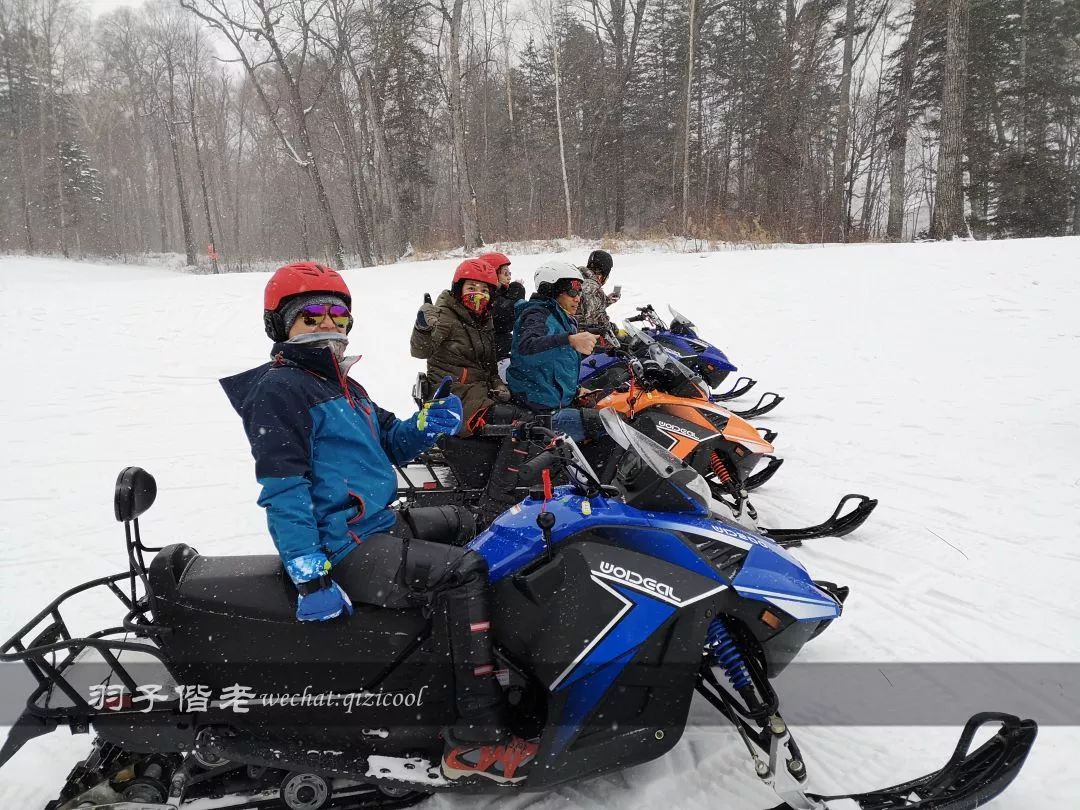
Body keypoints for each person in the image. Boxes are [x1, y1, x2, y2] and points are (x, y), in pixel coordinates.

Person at [220, 261, 537, 784]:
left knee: (475, 521)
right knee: (463, 571)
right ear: (279, 326)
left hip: (376, 524)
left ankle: (499, 659)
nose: (328, 323)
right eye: (310, 315)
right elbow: (284, 489)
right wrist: (310, 573)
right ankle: (476, 734)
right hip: (343, 545)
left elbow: (390, 439)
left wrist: (426, 424)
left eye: (337, 313)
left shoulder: (344, 383)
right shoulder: (281, 390)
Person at [410, 258, 511, 437]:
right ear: (459, 290)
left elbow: (489, 368)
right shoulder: (445, 316)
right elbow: (421, 350)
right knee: (516, 422)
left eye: (484, 290)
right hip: (453, 398)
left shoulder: (484, 320)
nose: (478, 295)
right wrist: (423, 328)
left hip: (479, 393)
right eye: (471, 288)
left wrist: (498, 385)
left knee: (527, 411)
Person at [505, 260, 602, 442]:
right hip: (538, 408)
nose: (577, 298)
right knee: (602, 428)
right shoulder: (537, 314)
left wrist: (575, 390)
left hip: (553, 401)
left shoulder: (561, 317)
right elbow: (527, 350)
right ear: (552, 291)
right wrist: (570, 340)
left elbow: (555, 367)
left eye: (579, 292)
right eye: (572, 291)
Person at [478, 251, 526, 382]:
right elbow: (503, 318)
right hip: (494, 361)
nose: (509, 277)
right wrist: (516, 299)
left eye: (510, 273)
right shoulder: (483, 298)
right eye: (505, 273)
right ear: (492, 274)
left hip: (504, 354)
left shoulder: (499, 295)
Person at [577, 249, 620, 330]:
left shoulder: (579, 278)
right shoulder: (591, 288)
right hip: (580, 337)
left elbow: (586, 306)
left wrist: (607, 300)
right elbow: (594, 321)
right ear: (605, 273)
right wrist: (613, 329)